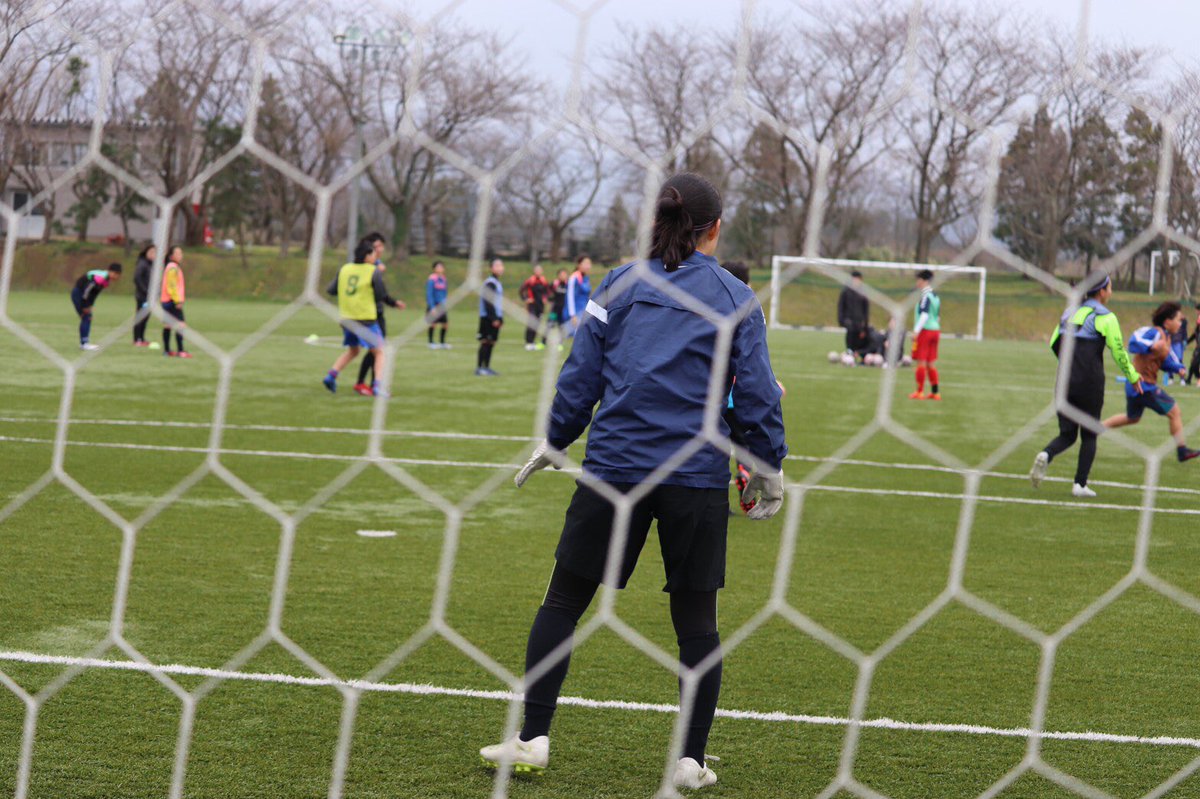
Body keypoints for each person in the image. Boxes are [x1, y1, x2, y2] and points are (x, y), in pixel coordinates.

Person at [479, 173, 788, 791]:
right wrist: (768, 464)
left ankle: (533, 738)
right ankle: (690, 760)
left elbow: (581, 373)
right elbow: (755, 392)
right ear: (715, 228)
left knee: (564, 601)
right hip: (694, 477)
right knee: (697, 621)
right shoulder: (734, 297)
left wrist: (556, 437)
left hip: (615, 467)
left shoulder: (620, 283)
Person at [1030, 273, 1142, 498]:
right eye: (1110, 287)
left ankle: (1046, 454)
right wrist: (1133, 376)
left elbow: (1054, 343)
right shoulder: (1106, 317)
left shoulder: (1069, 313)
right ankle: (1079, 484)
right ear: (1101, 292)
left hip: (1064, 380)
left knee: (1068, 434)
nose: (1111, 291)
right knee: (1090, 434)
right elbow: (1119, 352)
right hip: (1090, 382)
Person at [1102, 302, 1200, 462]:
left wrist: (1177, 368)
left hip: (1137, 386)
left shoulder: (1166, 338)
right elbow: (1133, 342)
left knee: (1132, 417)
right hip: (1142, 385)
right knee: (1174, 411)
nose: (1181, 323)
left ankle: (1095, 428)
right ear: (1167, 321)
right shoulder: (1154, 333)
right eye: (1178, 320)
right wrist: (1151, 345)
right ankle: (1182, 451)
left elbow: (1164, 361)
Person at [322, 241, 389, 397]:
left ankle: (331, 376)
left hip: (347, 319)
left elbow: (331, 290)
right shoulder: (373, 271)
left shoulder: (345, 269)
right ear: (367, 256)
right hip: (365, 319)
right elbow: (381, 295)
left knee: (353, 350)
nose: (375, 256)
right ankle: (378, 386)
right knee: (380, 352)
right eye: (373, 254)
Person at [353, 234, 405, 396]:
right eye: (377, 247)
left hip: (375, 312)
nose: (380, 249)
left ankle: (368, 384)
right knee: (377, 349)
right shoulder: (368, 266)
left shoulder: (376, 265)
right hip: (369, 314)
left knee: (374, 350)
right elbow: (378, 293)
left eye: (381, 246)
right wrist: (393, 302)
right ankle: (370, 384)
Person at [70, 263, 122, 351]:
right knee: (86, 317)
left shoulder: (106, 281)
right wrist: (85, 305)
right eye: (116, 274)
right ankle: (84, 344)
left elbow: (94, 294)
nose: (117, 277)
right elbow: (87, 289)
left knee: (87, 317)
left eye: (118, 275)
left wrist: (90, 305)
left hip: (83, 295)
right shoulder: (100, 278)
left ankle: (84, 343)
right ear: (110, 271)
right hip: (79, 294)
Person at [909, 269, 940, 399]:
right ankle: (935, 392)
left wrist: (916, 331)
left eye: (918, 280)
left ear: (924, 281)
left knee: (921, 361)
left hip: (925, 331)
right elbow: (937, 317)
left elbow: (924, 314)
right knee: (931, 363)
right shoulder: (935, 296)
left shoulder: (925, 295)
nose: (917, 282)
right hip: (935, 331)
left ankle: (920, 391)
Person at [160, 245, 191, 358]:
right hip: (172, 300)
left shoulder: (170, 266)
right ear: (171, 256)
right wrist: (177, 300)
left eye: (181, 253)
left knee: (168, 325)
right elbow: (171, 285)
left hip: (165, 300)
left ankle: (167, 351)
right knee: (180, 324)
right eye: (178, 253)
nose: (180, 255)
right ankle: (180, 350)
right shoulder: (173, 268)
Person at [476, 259, 504, 376]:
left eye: (501, 265)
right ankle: (479, 368)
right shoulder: (490, 283)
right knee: (485, 342)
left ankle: (486, 367)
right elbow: (488, 302)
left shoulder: (496, 283)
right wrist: (494, 318)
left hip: (495, 316)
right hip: (488, 317)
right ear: (491, 268)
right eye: (497, 266)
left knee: (491, 342)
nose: (500, 268)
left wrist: (500, 318)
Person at [838, 270, 869, 355]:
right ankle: (849, 350)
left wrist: (865, 323)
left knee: (859, 335)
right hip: (848, 318)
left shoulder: (863, 292)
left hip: (859, 319)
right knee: (850, 331)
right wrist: (841, 319)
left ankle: (856, 352)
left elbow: (866, 309)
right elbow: (841, 306)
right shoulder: (846, 291)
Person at [520, 264, 550, 350]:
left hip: (540, 306)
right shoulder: (530, 280)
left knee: (537, 324)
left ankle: (532, 342)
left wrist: (545, 298)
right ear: (534, 271)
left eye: (540, 270)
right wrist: (526, 299)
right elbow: (521, 290)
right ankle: (528, 341)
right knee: (531, 323)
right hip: (532, 306)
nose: (538, 272)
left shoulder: (543, 281)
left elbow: (547, 292)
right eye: (537, 270)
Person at [564, 254, 592, 336]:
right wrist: (573, 315)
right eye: (586, 263)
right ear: (579, 264)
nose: (588, 266)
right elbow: (569, 297)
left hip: (584, 311)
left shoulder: (586, 278)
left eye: (589, 264)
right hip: (576, 312)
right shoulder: (574, 278)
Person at [132, 244, 155, 346]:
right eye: (151, 252)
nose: (153, 254)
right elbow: (137, 278)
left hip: (149, 297)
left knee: (146, 317)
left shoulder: (151, 265)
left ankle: (141, 338)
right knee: (140, 317)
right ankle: (137, 339)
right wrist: (145, 291)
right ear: (146, 252)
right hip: (142, 296)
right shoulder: (142, 263)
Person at [426, 260, 450, 349]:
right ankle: (431, 342)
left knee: (445, 324)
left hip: (442, 305)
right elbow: (429, 293)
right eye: (438, 267)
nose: (440, 269)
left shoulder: (443, 279)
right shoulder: (432, 279)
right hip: (434, 305)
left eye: (441, 267)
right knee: (433, 324)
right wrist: (432, 307)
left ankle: (442, 342)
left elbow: (444, 292)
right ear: (434, 269)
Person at [545, 268, 569, 349]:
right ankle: (543, 342)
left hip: (563, 310)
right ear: (558, 275)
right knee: (549, 324)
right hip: (554, 310)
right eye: (561, 274)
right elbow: (548, 293)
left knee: (561, 326)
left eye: (564, 274)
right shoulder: (555, 284)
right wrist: (549, 300)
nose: (563, 276)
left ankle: (560, 344)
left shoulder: (568, 284)